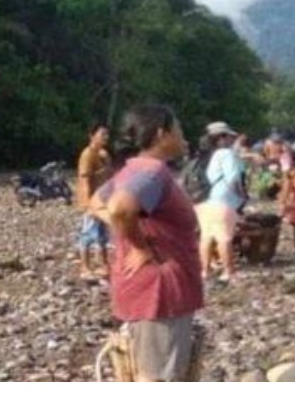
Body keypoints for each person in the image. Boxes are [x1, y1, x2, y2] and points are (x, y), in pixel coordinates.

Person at [87, 105, 203, 382]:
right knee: (158, 377)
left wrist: (129, 230)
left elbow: (96, 204)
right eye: (179, 130)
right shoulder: (152, 171)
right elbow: (119, 208)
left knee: (150, 371)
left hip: (147, 287)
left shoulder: (134, 168)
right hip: (159, 291)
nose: (183, 136)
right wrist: (140, 246)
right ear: (162, 134)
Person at [194, 121, 248, 285]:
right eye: (229, 136)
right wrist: (242, 195)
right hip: (223, 200)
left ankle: (205, 270)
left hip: (204, 200)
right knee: (224, 237)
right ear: (222, 138)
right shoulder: (226, 153)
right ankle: (228, 272)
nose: (232, 140)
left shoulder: (205, 155)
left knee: (206, 236)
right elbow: (233, 179)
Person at [75, 125, 114, 280]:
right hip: (92, 201)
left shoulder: (104, 155)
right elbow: (84, 180)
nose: (106, 137)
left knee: (103, 235)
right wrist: (87, 203)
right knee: (87, 234)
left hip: (104, 200)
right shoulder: (87, 154)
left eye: (107, 134)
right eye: (102, 134)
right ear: (92, 135)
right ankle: (85, 267)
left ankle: (104, 265)